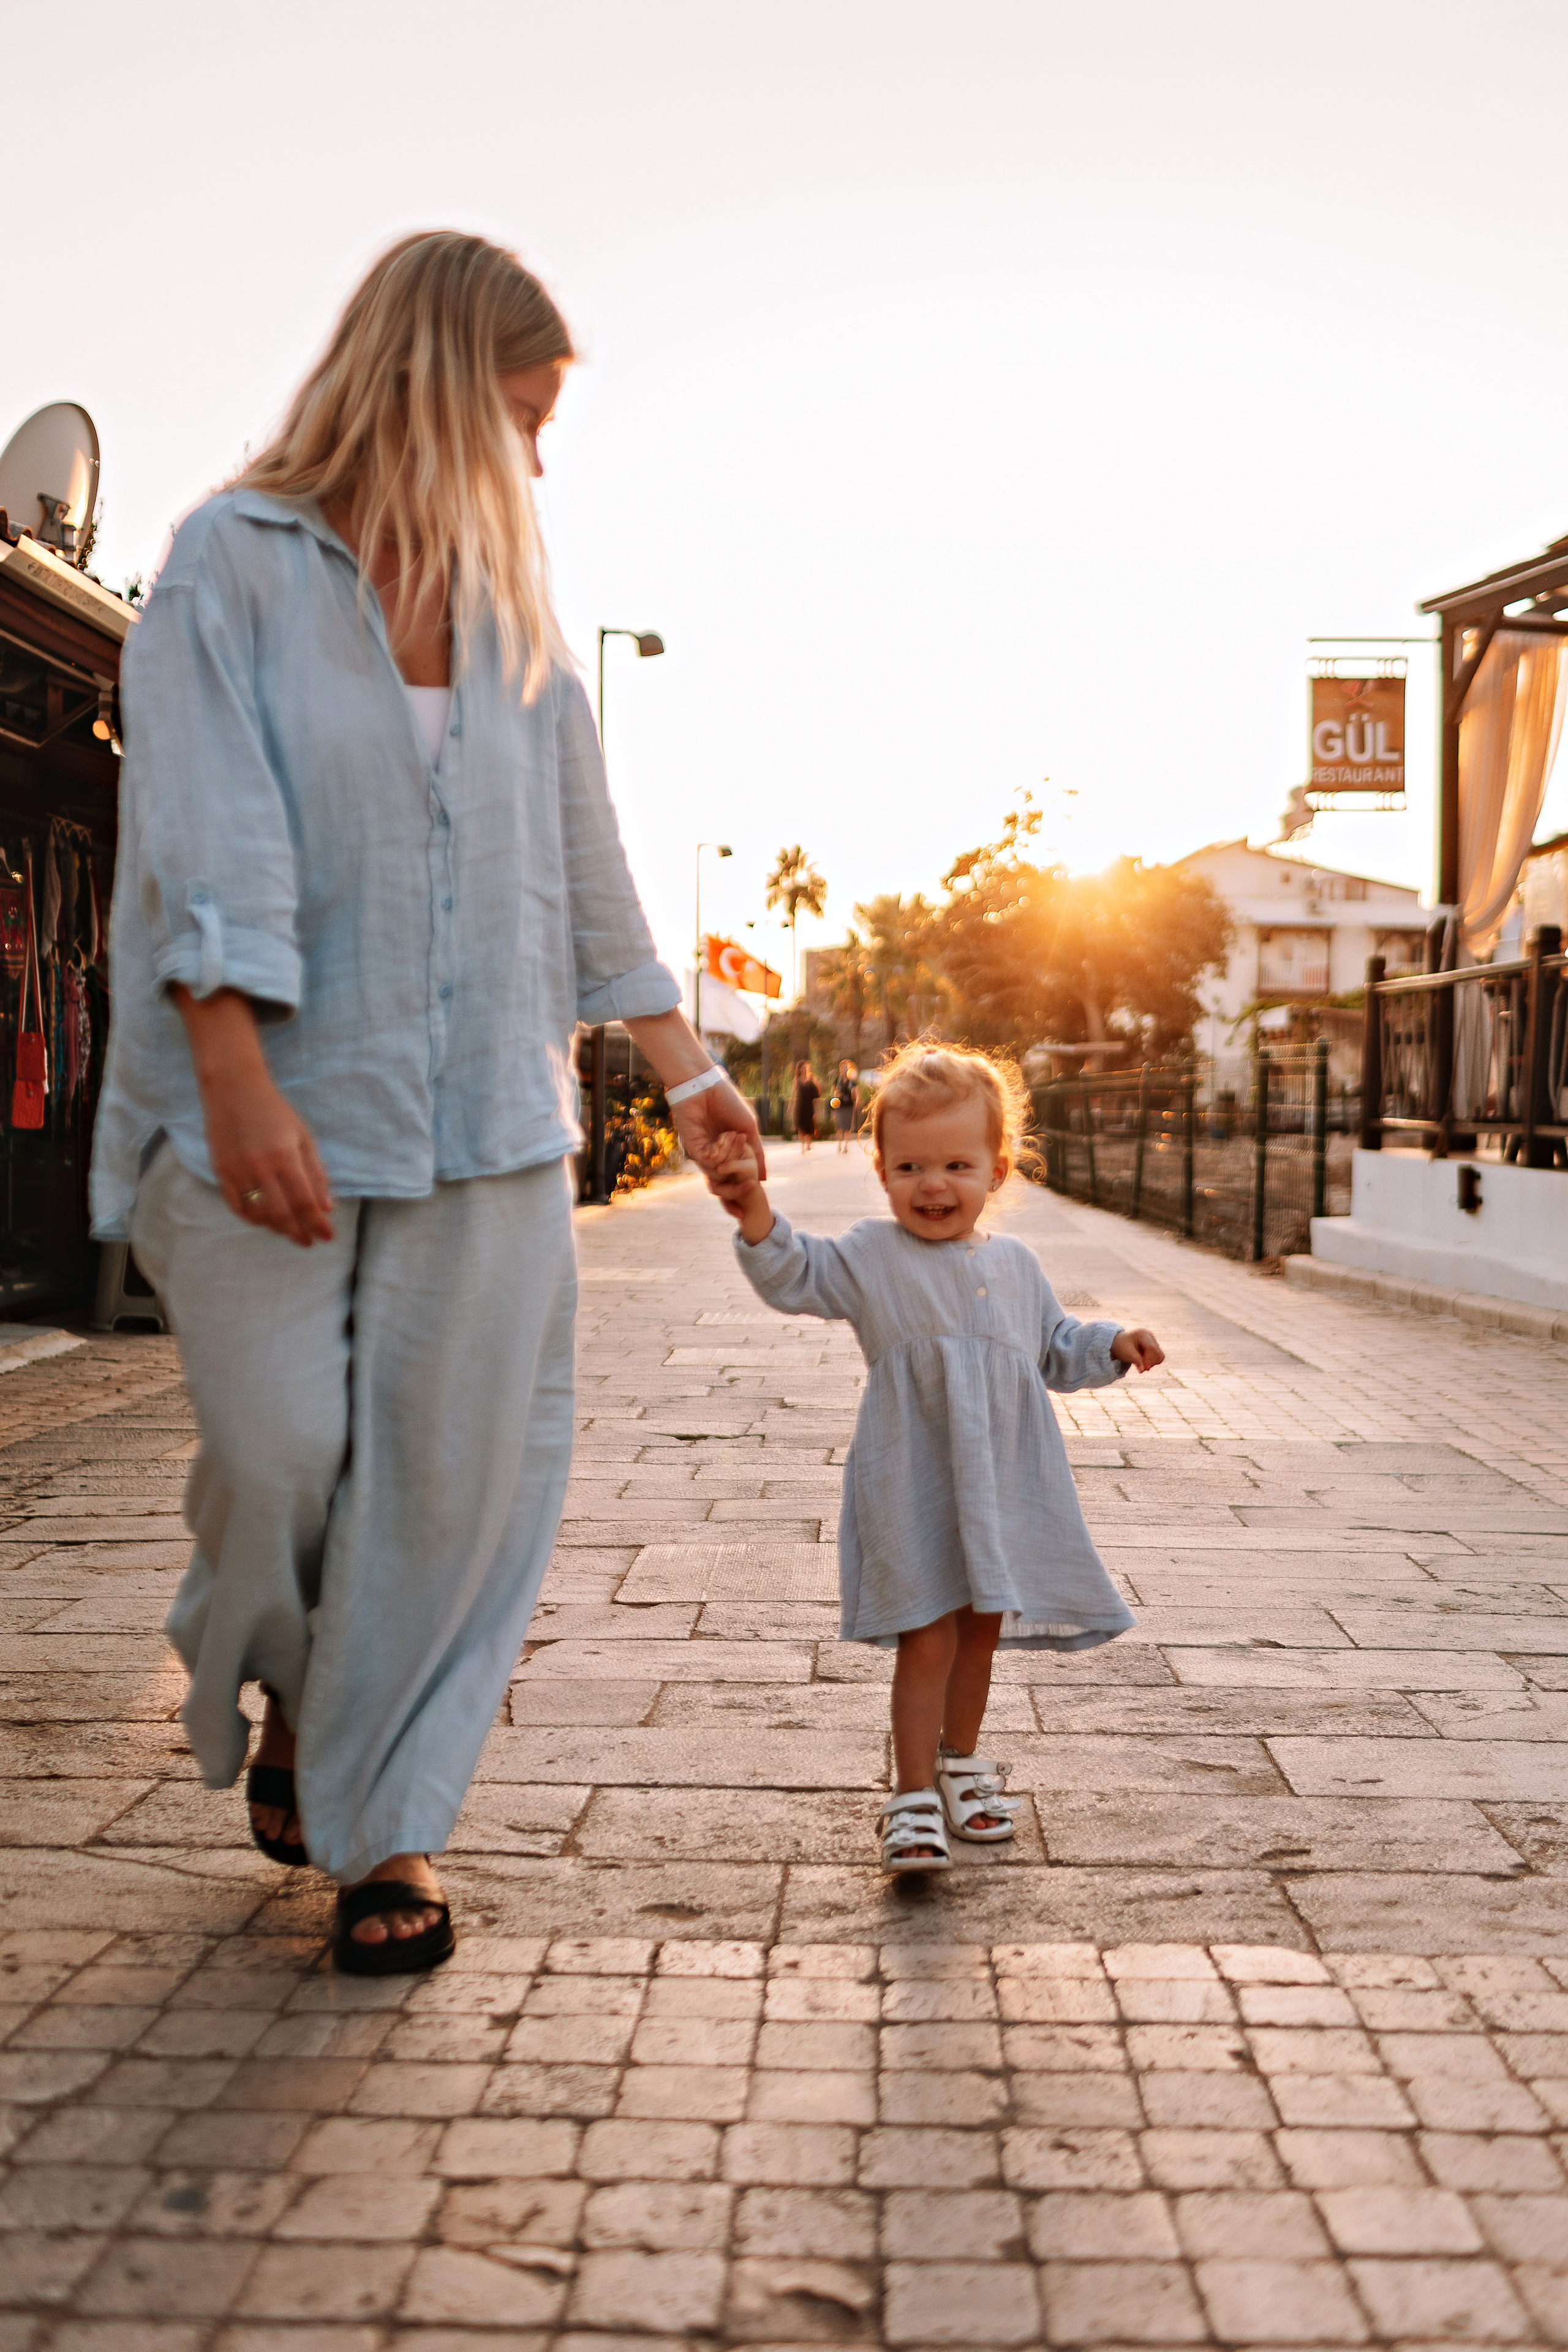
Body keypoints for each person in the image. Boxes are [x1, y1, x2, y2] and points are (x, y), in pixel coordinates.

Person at [91, 232, 762, 1973]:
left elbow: (583, 861)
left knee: (452, 1480)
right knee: (281, 1454)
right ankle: (283, 1662)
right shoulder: (226, 565)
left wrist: (689, 1073)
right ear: (442, 386)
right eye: (525, 416)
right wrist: (235, 1080)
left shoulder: (515, 608)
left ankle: (390, 1826)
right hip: (270, 1102)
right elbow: (199, 831)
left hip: (487, 1113)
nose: (539, 460)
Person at [707, 1042, 1163, 1872]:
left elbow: (1056, 1346)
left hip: (999, 1486)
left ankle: (961, 1764)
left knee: (980, 1631)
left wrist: (1115, 1342)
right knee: (927, 1635)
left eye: (957, 1164)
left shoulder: (1016, 1264)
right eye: (911, 1164)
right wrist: (753, 1212)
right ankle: (911, 1794)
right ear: (880, 1170)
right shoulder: (870, 1258)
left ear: (998, 1168)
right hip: (914, 1479)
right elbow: (795, 1274)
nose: (934, 1185)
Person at [829, 1060, 861, 1153]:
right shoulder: (837, 1080)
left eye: (845, 1068)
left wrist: (857, 1100)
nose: (844, 1070)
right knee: (839, 1126)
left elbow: (856, 1092)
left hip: (849, 1105)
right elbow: (833, 1091)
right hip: (839, 1105)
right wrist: (836, 1095)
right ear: (840, 1069)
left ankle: (846, 1145)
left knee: (847, 1126)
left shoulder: (851, 1081)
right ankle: (839, 1143)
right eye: (842, 1068)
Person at [791, 1058, 821, 1152]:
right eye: (802, 1068)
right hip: (800, 1106)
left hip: (809, 1105)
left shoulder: (811, 1080)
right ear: (799, 1069)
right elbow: (793, 1094)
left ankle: (808, 1144)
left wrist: (816, 1081)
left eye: (805, 1068)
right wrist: (790, 1106)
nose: (804, 1069)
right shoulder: (797, 1080)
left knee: (809, 1125)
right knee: (801, 1126)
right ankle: (803, 1146)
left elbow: (819, 1092)